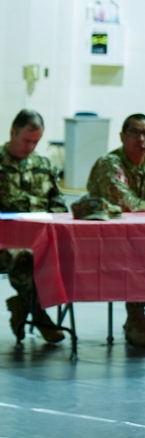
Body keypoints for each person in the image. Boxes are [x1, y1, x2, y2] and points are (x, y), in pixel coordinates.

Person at [0, 109, 66, 343]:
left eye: (36, 142)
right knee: (25, 258)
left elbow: (58, 204)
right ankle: (41, 316)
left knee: (71, 254)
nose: (31, 147)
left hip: (42, 235)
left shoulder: (44, 165)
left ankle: (22, 304)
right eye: (26, 140)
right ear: (12, 132)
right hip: (4, 239)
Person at [86, 113, 145, 346]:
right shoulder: (109, 164)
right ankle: (136, 317)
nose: (141, 139)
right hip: (108, 242)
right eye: (135, 133)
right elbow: (125, 203)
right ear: (122, 136)